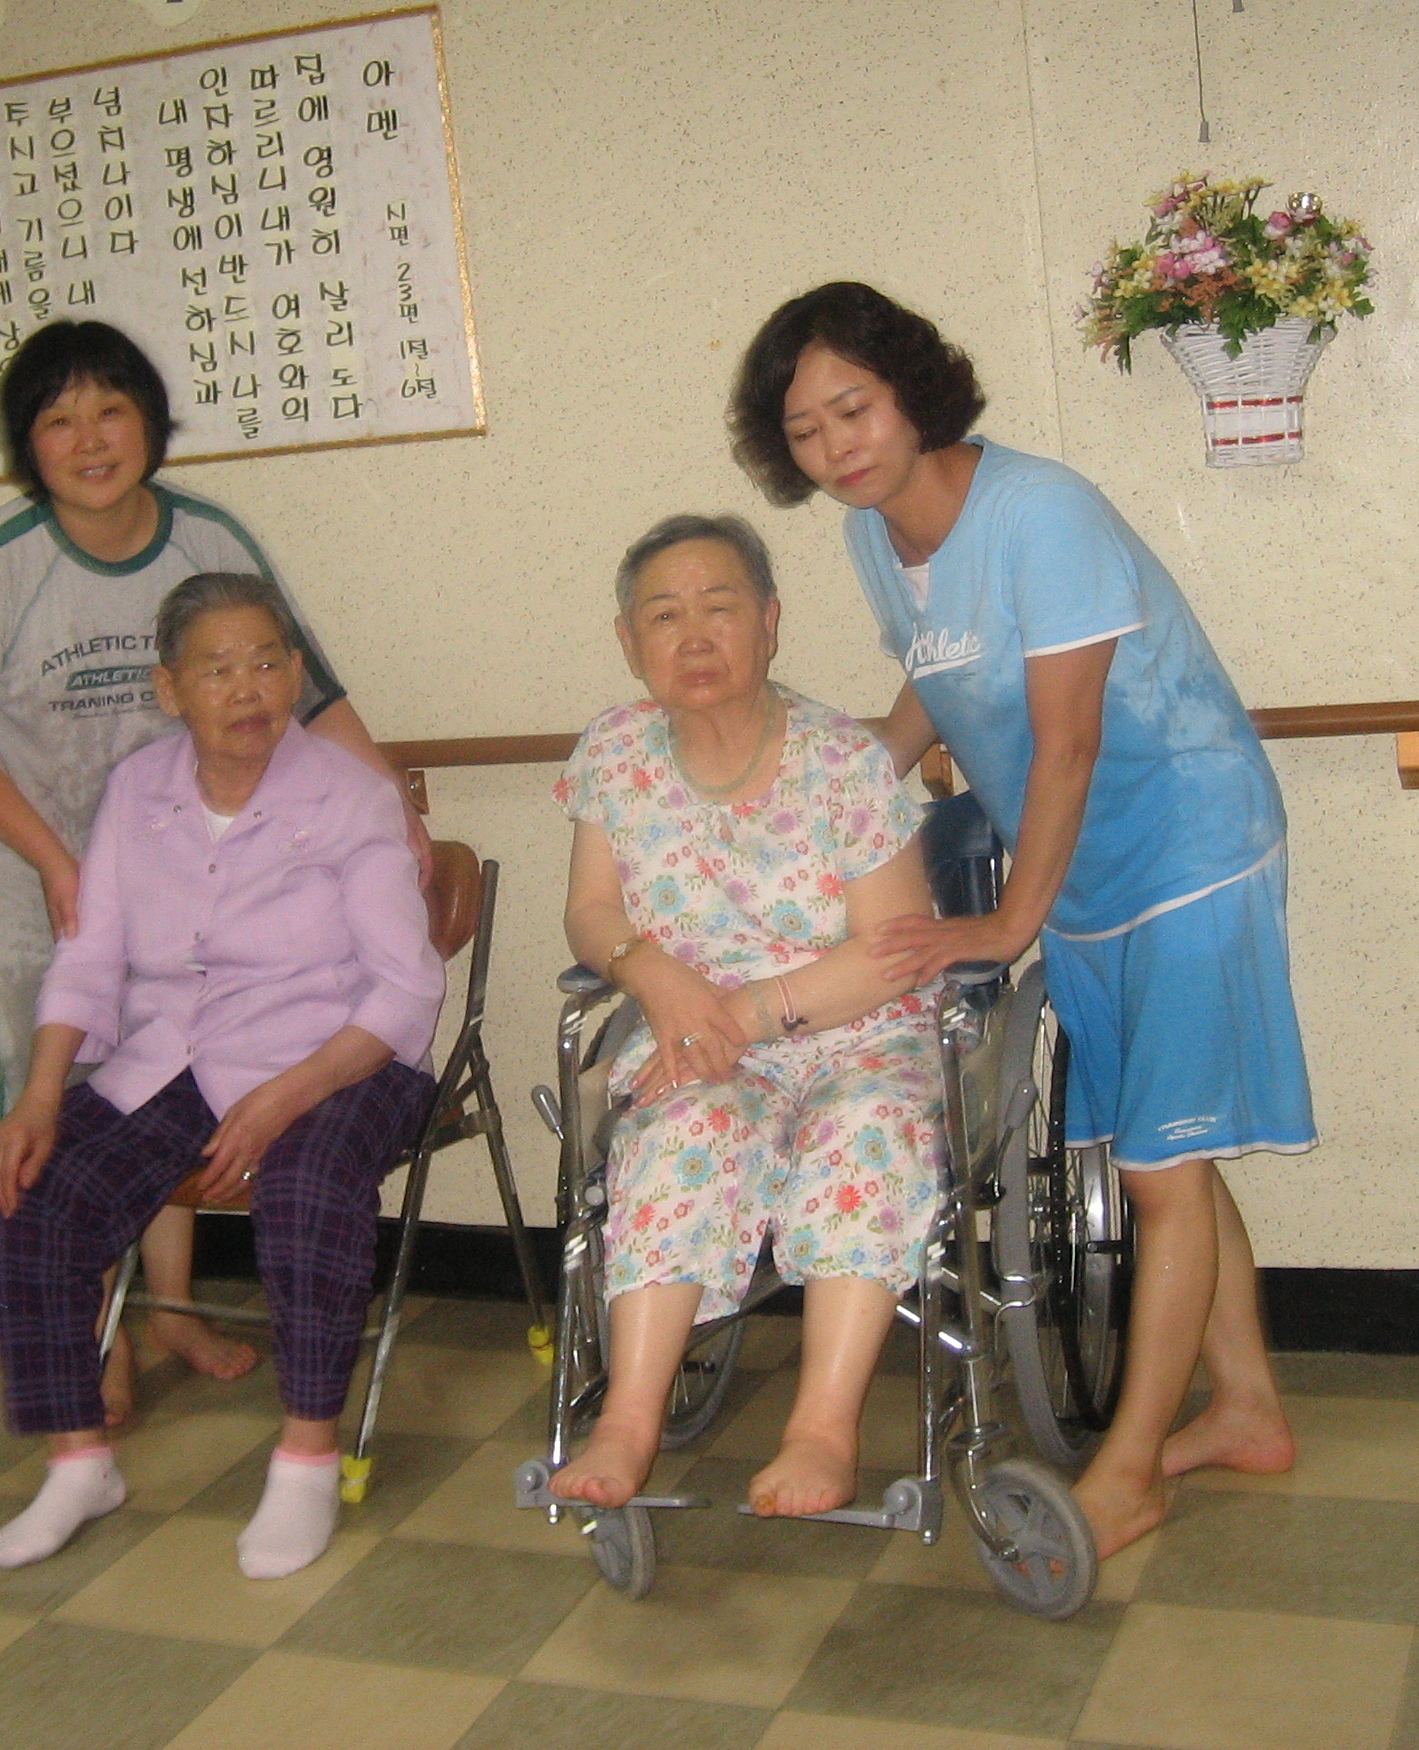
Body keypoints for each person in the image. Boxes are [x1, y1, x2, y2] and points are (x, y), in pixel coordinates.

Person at [729, 281, 1314, 1559]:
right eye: (807, 430)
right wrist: (834, 803)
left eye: (854, 409)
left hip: (1188, 845)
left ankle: (1131, 1471)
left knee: (1156, 1171)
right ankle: (1247, 1410)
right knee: (1167, 1142)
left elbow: (1068, 741)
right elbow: (935, 681)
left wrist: (1005, 926)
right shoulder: (875, 534)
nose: (837, 448)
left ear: (911, 391)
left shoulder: (1042, 515)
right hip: (1089, 874)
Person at [0, 319, 427, 1421]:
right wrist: (60, 862)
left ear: (150, 422)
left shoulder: (208, 538)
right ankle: (93, 1347)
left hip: (206, 850)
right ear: (27, 445)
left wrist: (392, 806)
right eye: (58, 420)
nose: (90, 439)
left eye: (112, 410)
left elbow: (308, 690)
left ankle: (173, 1308)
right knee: (73, 1106)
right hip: (42, 869)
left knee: (186, 1058)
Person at [0, 573, 445, 1579]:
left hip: (342, 1054)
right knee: (34, 1185)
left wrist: (284, 1097)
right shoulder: (138, 791)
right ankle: (78, 1462)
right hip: (176, 1055)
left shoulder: (351, 796)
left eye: (268, 663)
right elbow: (90, 957)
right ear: (169, 688)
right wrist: (38, 1100)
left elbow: (407, 988)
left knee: (307, 1185)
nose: (248, 689)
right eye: (219, 668)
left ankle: (306, 1460)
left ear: (297, 674)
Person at [547, 514, 948, 1520]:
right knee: (685, 1129)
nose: (693, 635)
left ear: (769, 622)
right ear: (628, 641)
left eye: (718, 608)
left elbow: (892, 949)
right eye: (663, 616)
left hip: (857, 1025)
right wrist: (653, 974)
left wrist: (748, 1007)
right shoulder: (615, 751)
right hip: (697, 1030)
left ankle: (822, 1430)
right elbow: (592, 911)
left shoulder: (844, 760)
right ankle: (628, 1420)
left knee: (864, 1130)